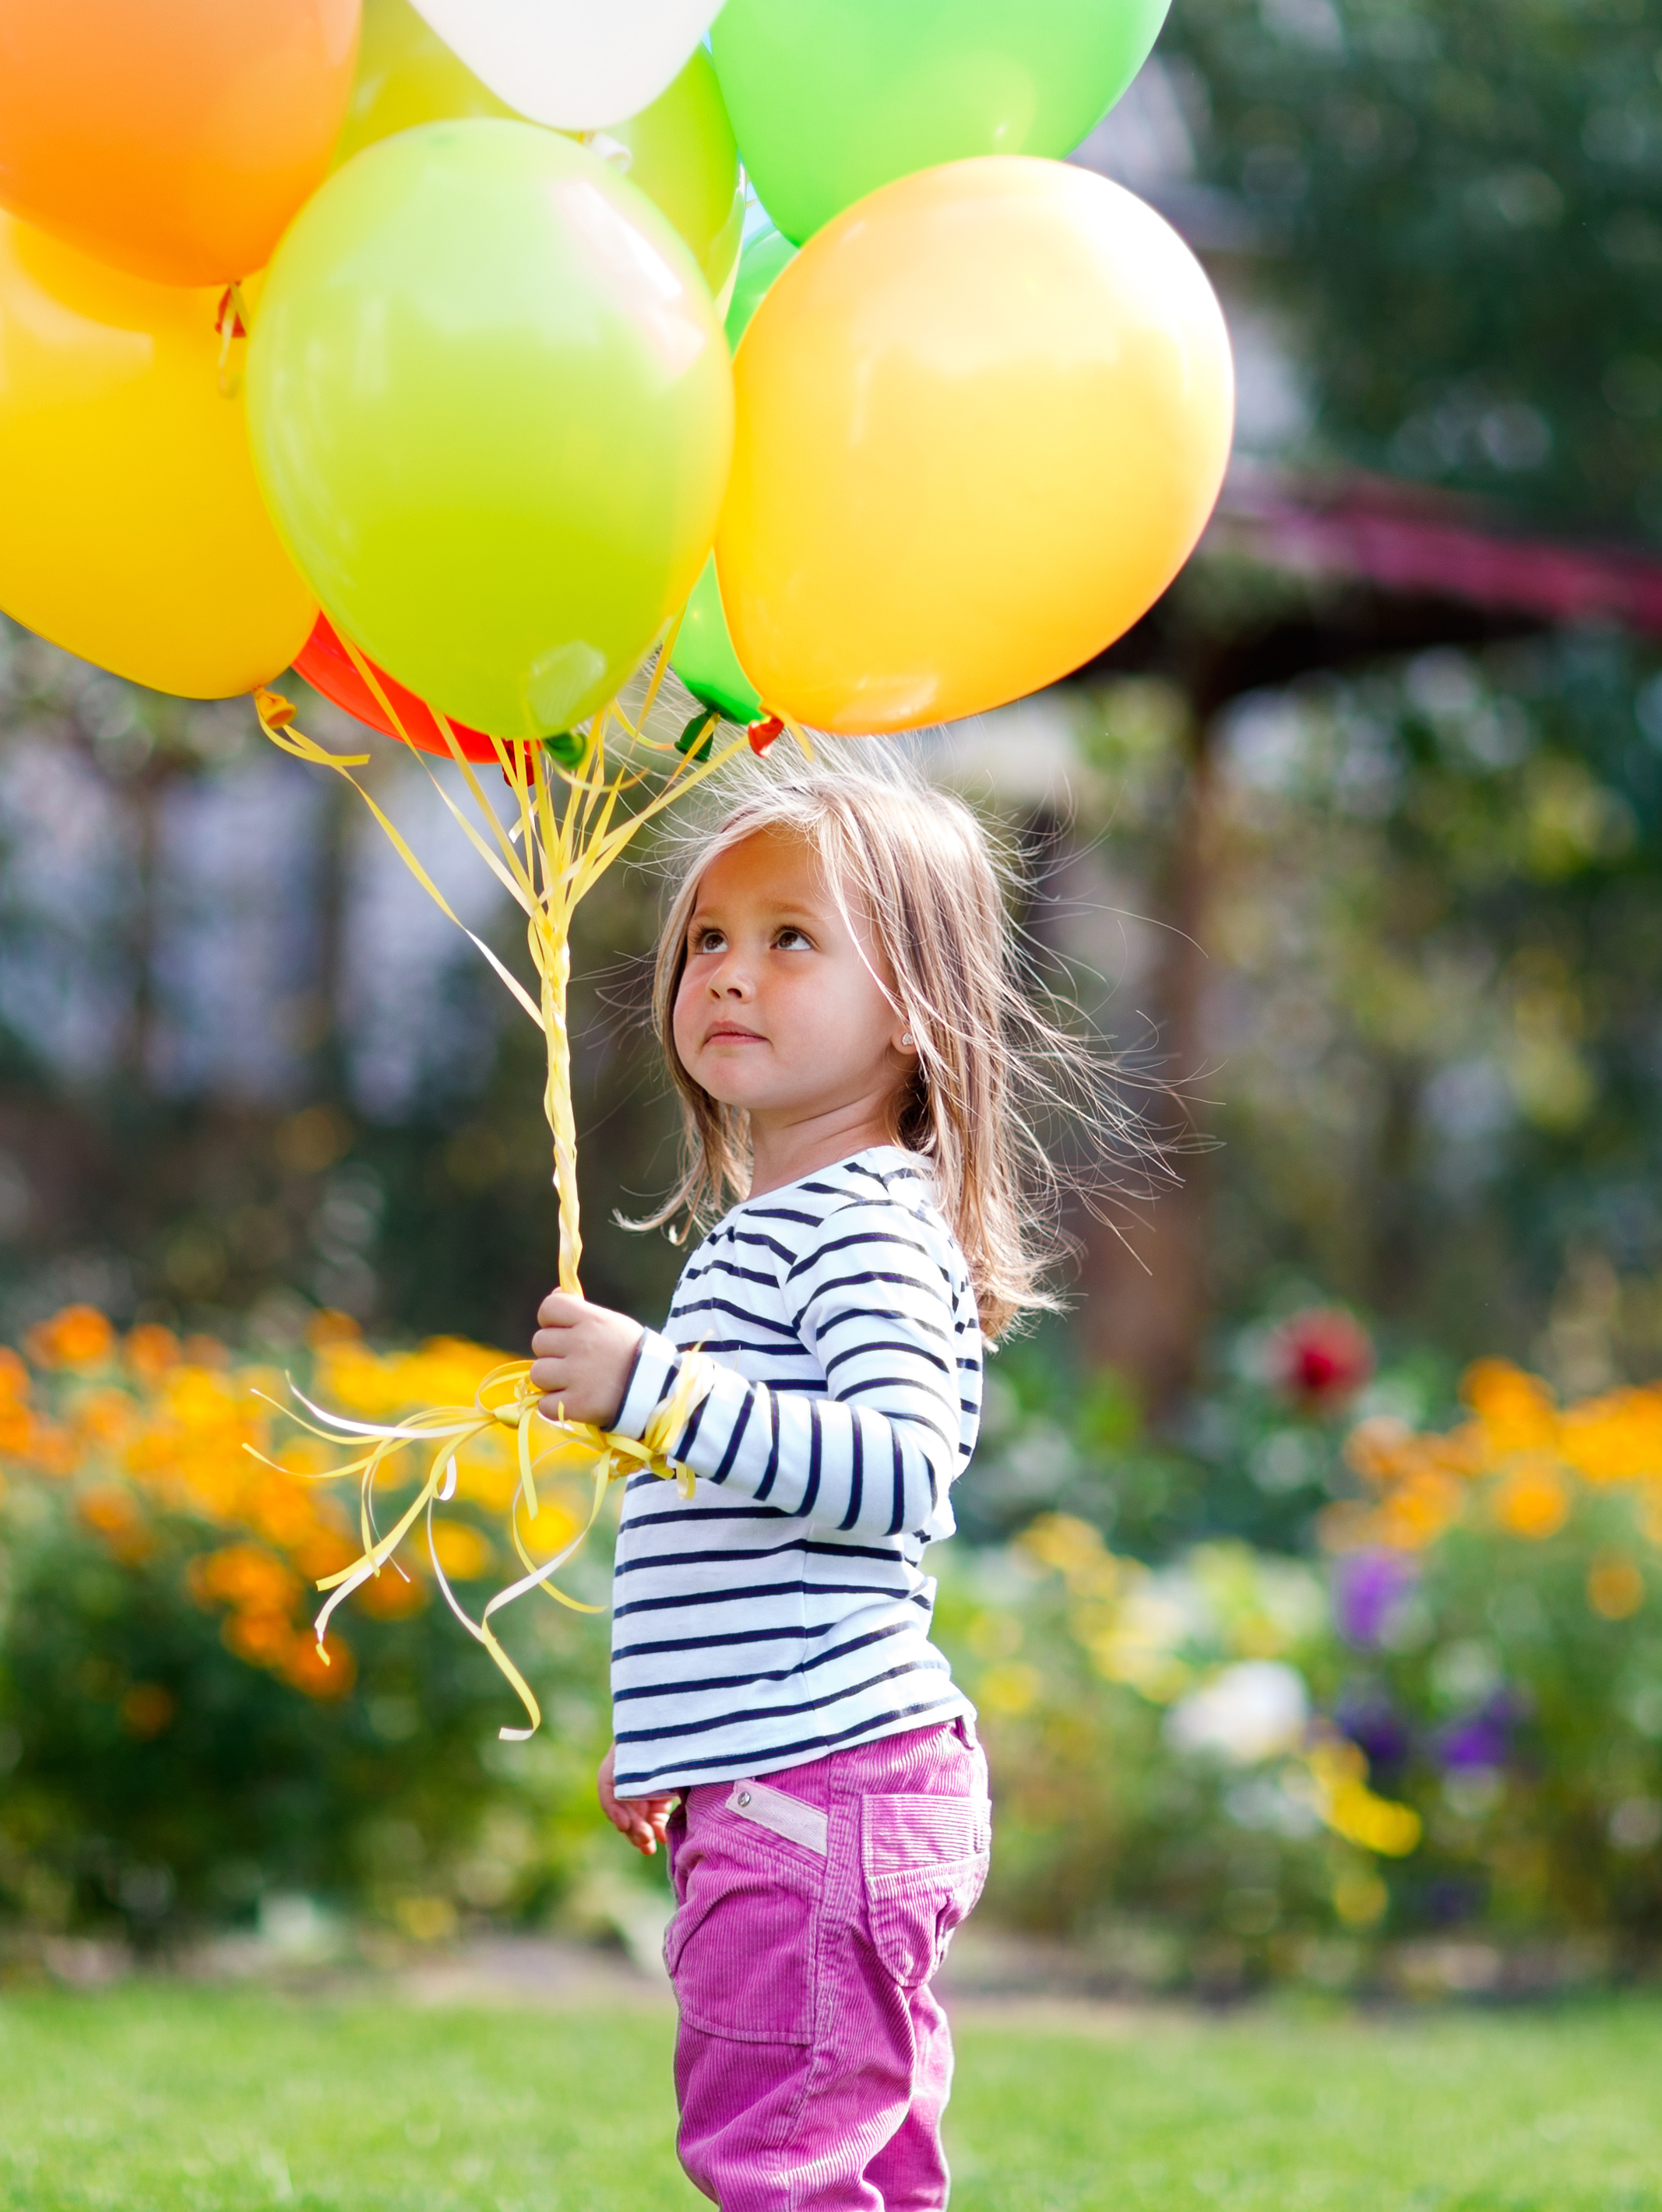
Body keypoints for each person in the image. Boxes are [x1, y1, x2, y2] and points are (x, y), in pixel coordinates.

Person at [529, 755, 1110, 2211]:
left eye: (793, 937)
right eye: (709, 938)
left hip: (821, 1796)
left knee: (776, 2162)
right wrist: (673, 1729)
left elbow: (896, 1473)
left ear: (913, 1005)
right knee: (848, 2160)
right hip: (794, 1782)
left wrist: (651, 1387)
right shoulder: (783, 1223)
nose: (731, 971)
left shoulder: (855, 1226)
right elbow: (750, 1548)